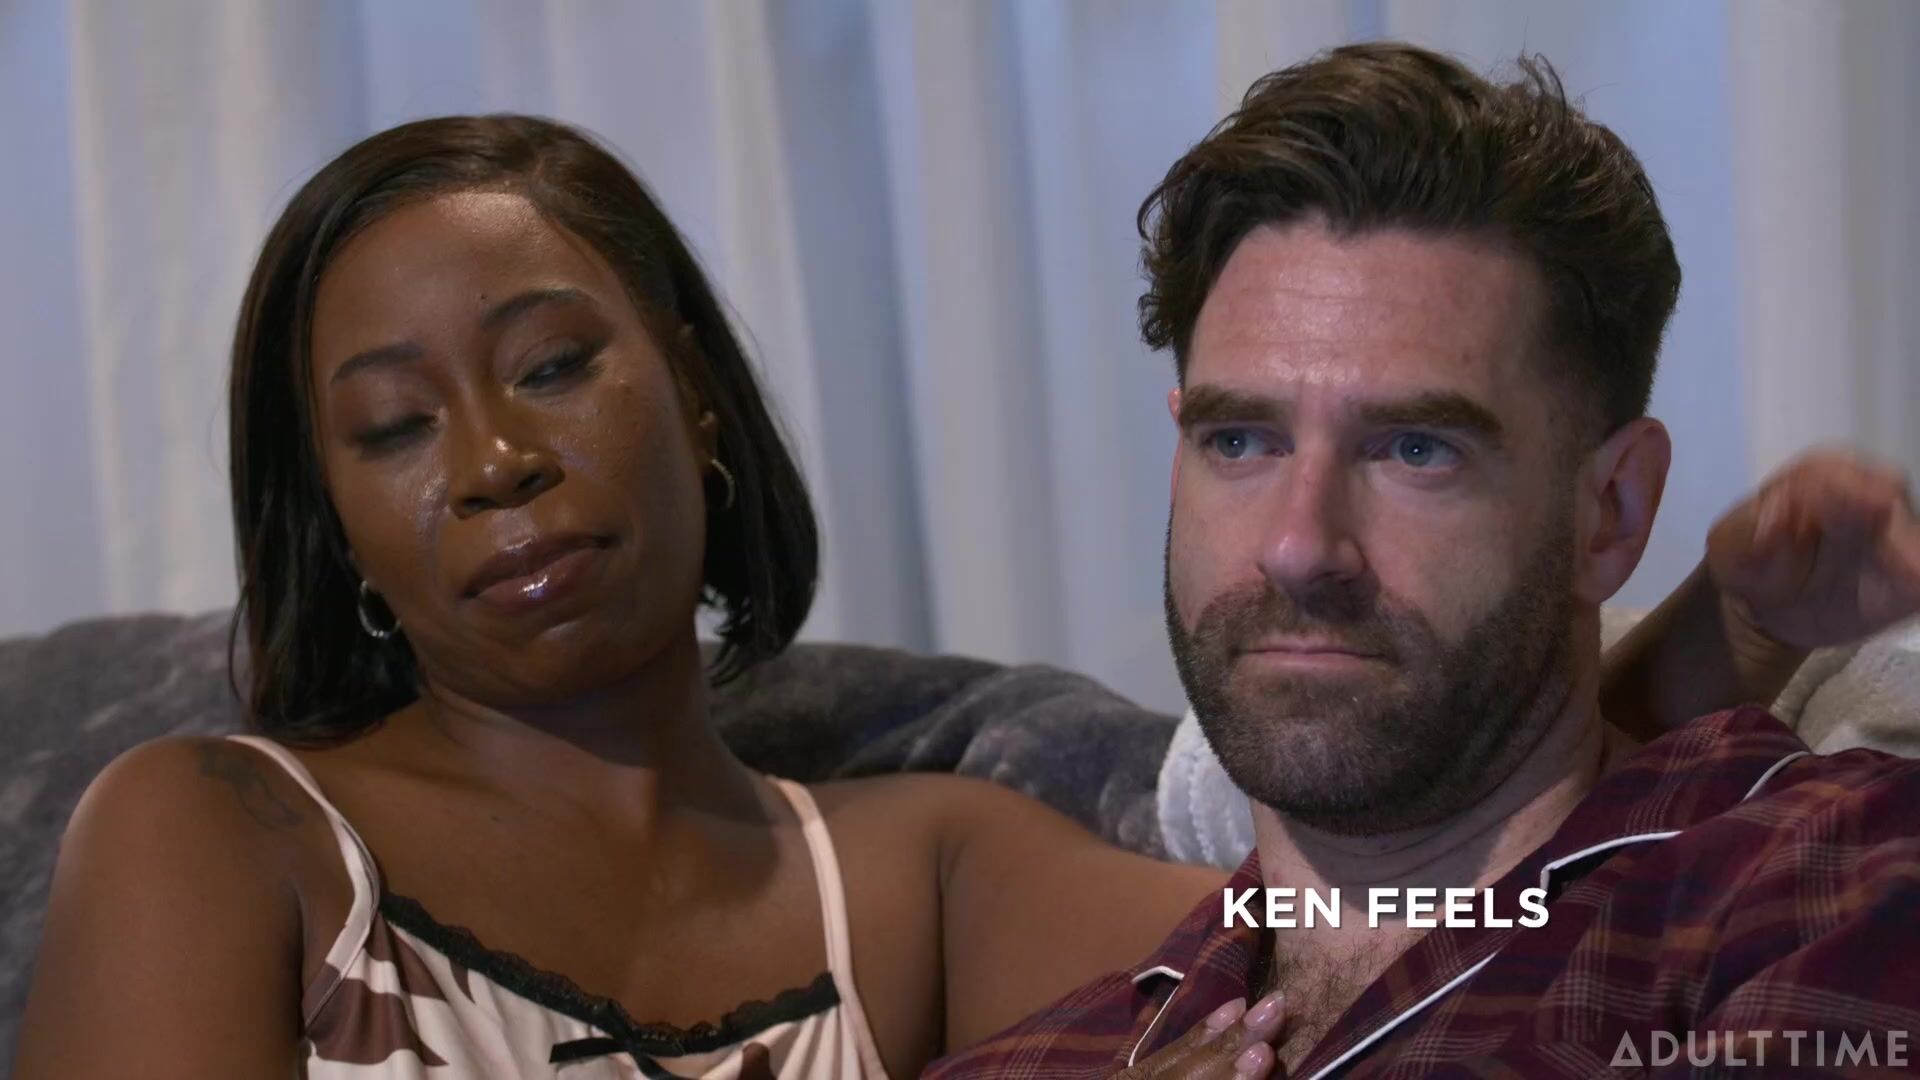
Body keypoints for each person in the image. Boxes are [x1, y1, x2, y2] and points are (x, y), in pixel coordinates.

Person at [8, 113, 1903, 1080]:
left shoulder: (917, 878)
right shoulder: (218, 829)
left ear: (696, 400)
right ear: (334, 516)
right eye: (392, 427)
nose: (495, 460)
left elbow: (1420, 865)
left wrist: (1710, 629)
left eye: (557, 367)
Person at [926, 42, 1920, 1080]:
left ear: (1611, 512)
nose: (1299, 547)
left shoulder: (1825, 893)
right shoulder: (1038, 1062)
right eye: (1242, 441)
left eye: (1415, 451)